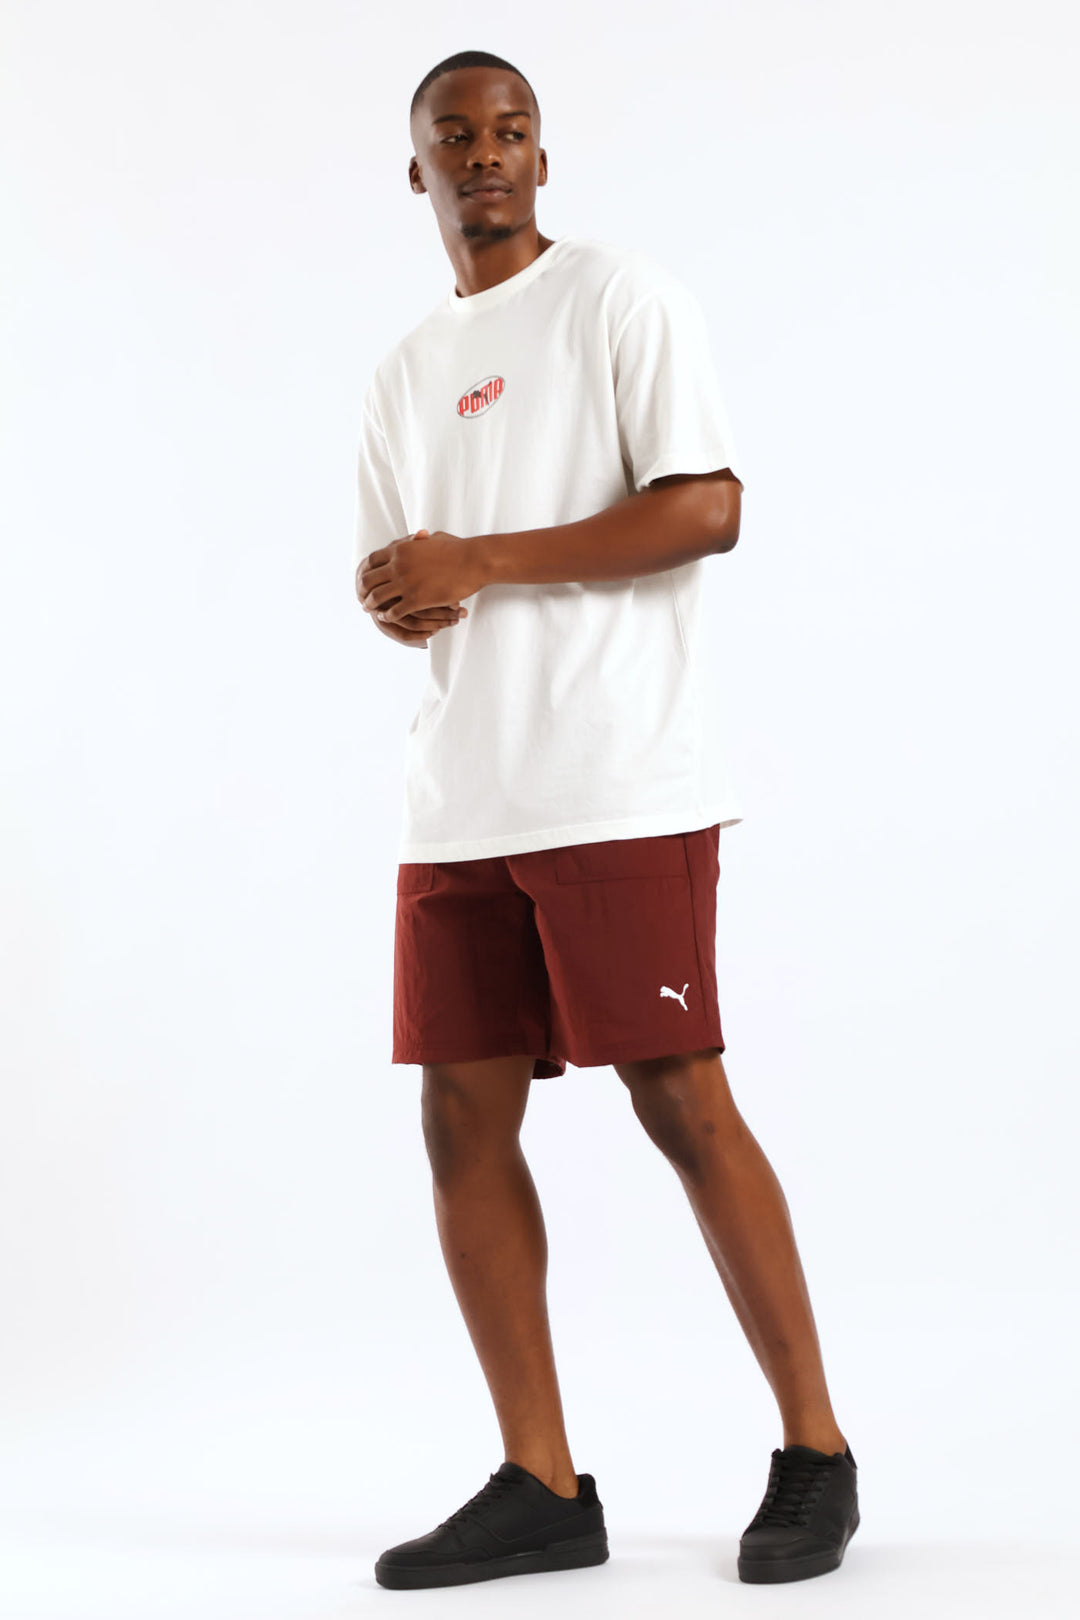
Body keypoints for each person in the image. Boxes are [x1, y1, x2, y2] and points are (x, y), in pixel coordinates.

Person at [354, 48, 859, 1592]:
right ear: (418, 169)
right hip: (462, 794)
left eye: (511, 131)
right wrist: (401, 590)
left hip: (619, 778)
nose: (486, 154)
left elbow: (708, 507)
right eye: (457, 136)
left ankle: (818, 1454)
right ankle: (542, 1481)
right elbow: (403, 576)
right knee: (458, 1117)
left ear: (542, 157)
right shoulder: (403, 370)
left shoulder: (620, 300)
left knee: (679, 1095)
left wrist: (482, 559)